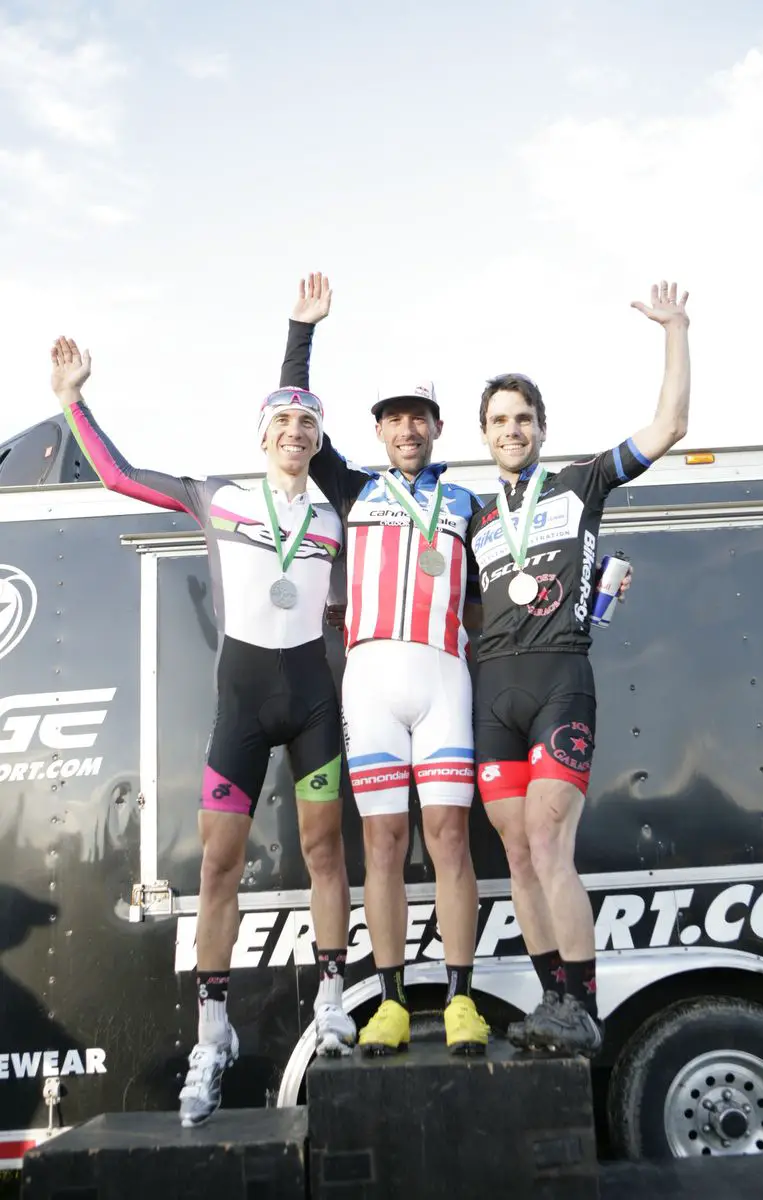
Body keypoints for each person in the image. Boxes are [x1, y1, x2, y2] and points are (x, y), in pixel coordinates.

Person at [49, 336, 356, 1127]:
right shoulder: (217, 496)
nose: (295, 431)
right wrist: (73, 400)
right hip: (242, 703)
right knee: (219, 867)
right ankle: (210, 1032)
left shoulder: (335, 511)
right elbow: (119, 476)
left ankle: (331, 999)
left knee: (326, 852)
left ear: (318, 442)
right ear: (262, 436)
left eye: (307, 424)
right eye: (283, 420)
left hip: (315, 698)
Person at [469, 281, 691, 1054]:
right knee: (517, 853)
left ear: (540, 428)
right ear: (486, 434)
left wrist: (675, 328)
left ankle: (583, 1009)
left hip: (562, 678)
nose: (513, 430)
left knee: (548, 837)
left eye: (524, 418)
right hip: (492, 689)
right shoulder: (471, 516)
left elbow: (669, 426)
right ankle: (554, 1001)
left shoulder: (580, 484)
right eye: (500, 420)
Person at [278, 274, 489, 1056]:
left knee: (451, 839)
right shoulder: (350, 486)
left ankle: (463, 998)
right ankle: (394, 1001)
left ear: (436, 428)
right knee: (384, 844)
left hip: (444, 677)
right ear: (380, 431)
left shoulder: (469, 503)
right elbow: (292, 409)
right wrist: (302, 330)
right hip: (368, 679)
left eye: (419, 417)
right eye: (395, 418)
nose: (407, 428)